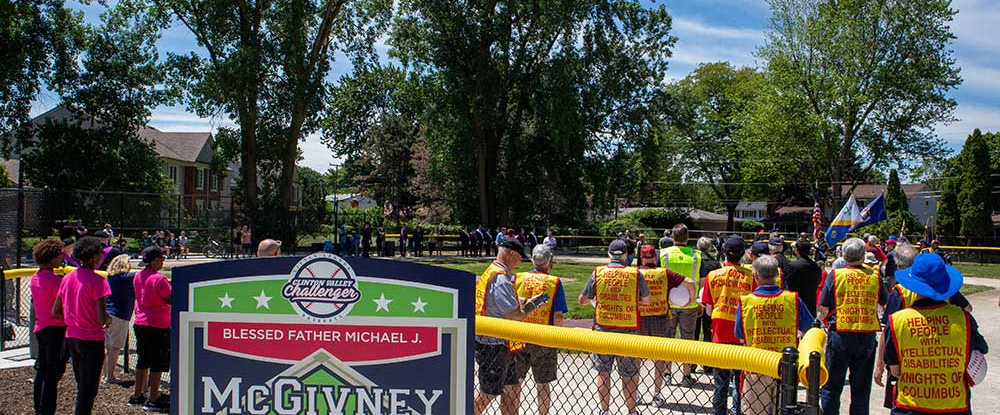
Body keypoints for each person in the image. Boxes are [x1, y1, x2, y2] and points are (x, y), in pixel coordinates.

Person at [884, 253, 988, 415]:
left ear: (912, 283)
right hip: (954, 405)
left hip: (910, 405)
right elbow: (980, 349)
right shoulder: (963, 318)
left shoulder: (897, 321)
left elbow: (895, 370)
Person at [579, 239, 652, 415]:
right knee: (629, 373)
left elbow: (582, 300)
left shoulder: (598, 272)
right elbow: (647, 301)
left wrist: (598, 303)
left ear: (609, 255)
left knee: (603, 372)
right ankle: (632, 411)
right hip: (629, 329)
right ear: (626, 255)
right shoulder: (635, 273)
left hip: (603, 329)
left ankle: (604, 411)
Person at [735, 255, 815, 415]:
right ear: (777, 275)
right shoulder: (792, 300)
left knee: (754, 411)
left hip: (755, 367)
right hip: (785, 369)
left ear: (756, 276)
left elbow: (739, 334)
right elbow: (809, 328)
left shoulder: (746, 302)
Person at [473, 238, 545, 415]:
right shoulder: (500, 278)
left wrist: (522, 301)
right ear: (512, 255)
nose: (520, 262)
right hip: (494, 346)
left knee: (512, 389)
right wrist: (532, 305)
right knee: (488, 393)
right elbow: (513, 315)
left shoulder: (492, 271)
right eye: (520, 258)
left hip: (497, 343)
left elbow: (499, 304)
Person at [817, 238, 888, 415]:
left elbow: (823, 308)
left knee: (831, 388)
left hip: (840, 335)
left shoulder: (835, 275)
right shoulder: (874, 276)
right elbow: (885, 303)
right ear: (863, 256)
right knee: (861, 391)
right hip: (866, 336)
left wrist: (819, 325)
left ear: (843, 255)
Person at [52, 237, 112, 415]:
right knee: (89, 390)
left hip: (72, 337)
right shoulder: (98, 281)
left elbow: (56, 311)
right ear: (94, 257)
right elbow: (102, 317)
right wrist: (108, 320)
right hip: (91, 339)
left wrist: (75, 317)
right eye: (100, 253)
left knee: (82, 385)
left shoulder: (68, 278)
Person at [636, 244, 695, 407]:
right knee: (659, 358)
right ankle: (657, 394)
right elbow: (690, 282)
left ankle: (636, 393)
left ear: (641, 258)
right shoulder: (664, 273)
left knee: (636, 357)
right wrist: (689, 301)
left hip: (640, 319)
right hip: (660, 319)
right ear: (655, 257)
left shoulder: (636, 273)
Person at [701, 235, 754, 415]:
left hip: (720, 334)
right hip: (742, 336)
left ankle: (719, 412)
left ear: (723, 252)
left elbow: (708, 310)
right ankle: (738, 410)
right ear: (743, 254)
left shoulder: (713, 275)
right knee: (740, 382)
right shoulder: (751, 276)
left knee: (720, 382)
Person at [513, 245, 568, 415]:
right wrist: (556, 337)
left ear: (532, 260)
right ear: (549, 261)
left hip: (519, 335)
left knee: (516, 382)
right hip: (543, 337)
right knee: (543, 383)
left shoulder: (517, 278)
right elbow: (558, 316)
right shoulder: (554, 282)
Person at [658, 224, 703, 386]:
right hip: (689, 304)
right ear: (687, 237)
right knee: (687, 340)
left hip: (668, 303)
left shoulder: (663, 254)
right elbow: (702, 280)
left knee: (668, 339)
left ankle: (667, 373)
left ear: (672, 238)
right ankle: (686, 375)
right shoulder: (697, 255)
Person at [129, 246, 172, 412]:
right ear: (154, 261)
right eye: (161, 259)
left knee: (142, 360)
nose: (162, 262)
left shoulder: (138, 276)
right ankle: (153, 398)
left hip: (140, 322)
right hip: (157, 325)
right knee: (157, 363)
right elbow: (169, 298)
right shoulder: (159, 279)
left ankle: (137, 395)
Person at [31, 239, 68, 415]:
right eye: (59, 255)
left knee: (43, 370)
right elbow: (62, 307)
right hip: (56, 329)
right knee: (52, 374)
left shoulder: (35, 278)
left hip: (41, 327)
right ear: (52, 258)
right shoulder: (55, 281)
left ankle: (39, 408)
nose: (61, 258)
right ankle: (47, 410)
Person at [102, 254, 135, 384]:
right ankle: (110, 377)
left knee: (107, 347)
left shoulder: (110, 277)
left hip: (108, 313)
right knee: (115, 348)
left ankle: (105, 374)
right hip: (120, 315)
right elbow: (143, 274)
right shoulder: (126, 277)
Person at [695, 237, 721, 366]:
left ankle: (691, 364)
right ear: (710, 247)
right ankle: (707, 363)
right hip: (709, 299)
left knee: (694, 331)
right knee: (707, 331)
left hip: (695, 298)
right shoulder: (715, 263)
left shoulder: (694, 260)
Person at [784, 237, 822, 316]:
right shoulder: (816, 267)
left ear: (797, 250)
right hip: (810, 305)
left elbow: (786, 284)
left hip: (795, 304)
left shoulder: (792, 266)